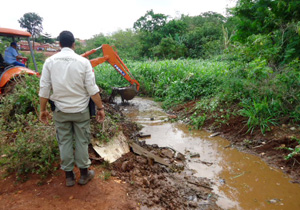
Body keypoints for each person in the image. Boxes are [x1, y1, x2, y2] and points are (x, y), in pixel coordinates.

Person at [39, 31, 105, 187]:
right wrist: (100, 107)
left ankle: (69, 177)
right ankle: (83, 175)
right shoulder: (83, 62)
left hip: (60, 111)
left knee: (64, 142)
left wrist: (43, 110)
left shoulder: (49, 62)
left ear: (59, 44)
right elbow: (92, 89)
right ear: (74, 44)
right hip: (81, 110)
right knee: (82, 142)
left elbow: (44, 88)